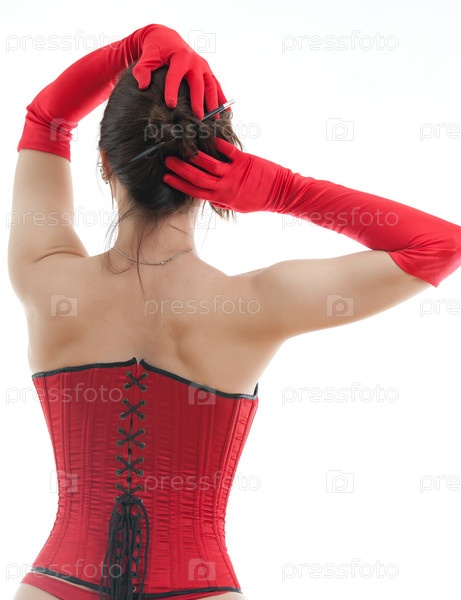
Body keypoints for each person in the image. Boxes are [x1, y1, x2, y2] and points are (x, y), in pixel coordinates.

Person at [8, 22, 461, 600]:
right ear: (219, 168)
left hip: (55, 586)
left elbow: (46, 118)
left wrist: (134, 46)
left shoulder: (46, 277)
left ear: (104, 163)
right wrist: (285, 191)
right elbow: (440, 245)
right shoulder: (256, 306)